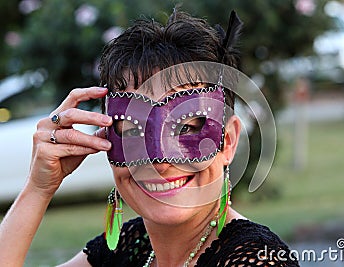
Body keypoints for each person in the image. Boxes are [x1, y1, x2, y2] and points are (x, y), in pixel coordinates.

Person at [0, 10, 299, 267]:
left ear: (229, 141)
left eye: (188, 127)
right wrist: (38, 188)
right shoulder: (130, 247)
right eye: (131, 128)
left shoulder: (255, 259)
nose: (159, 161)